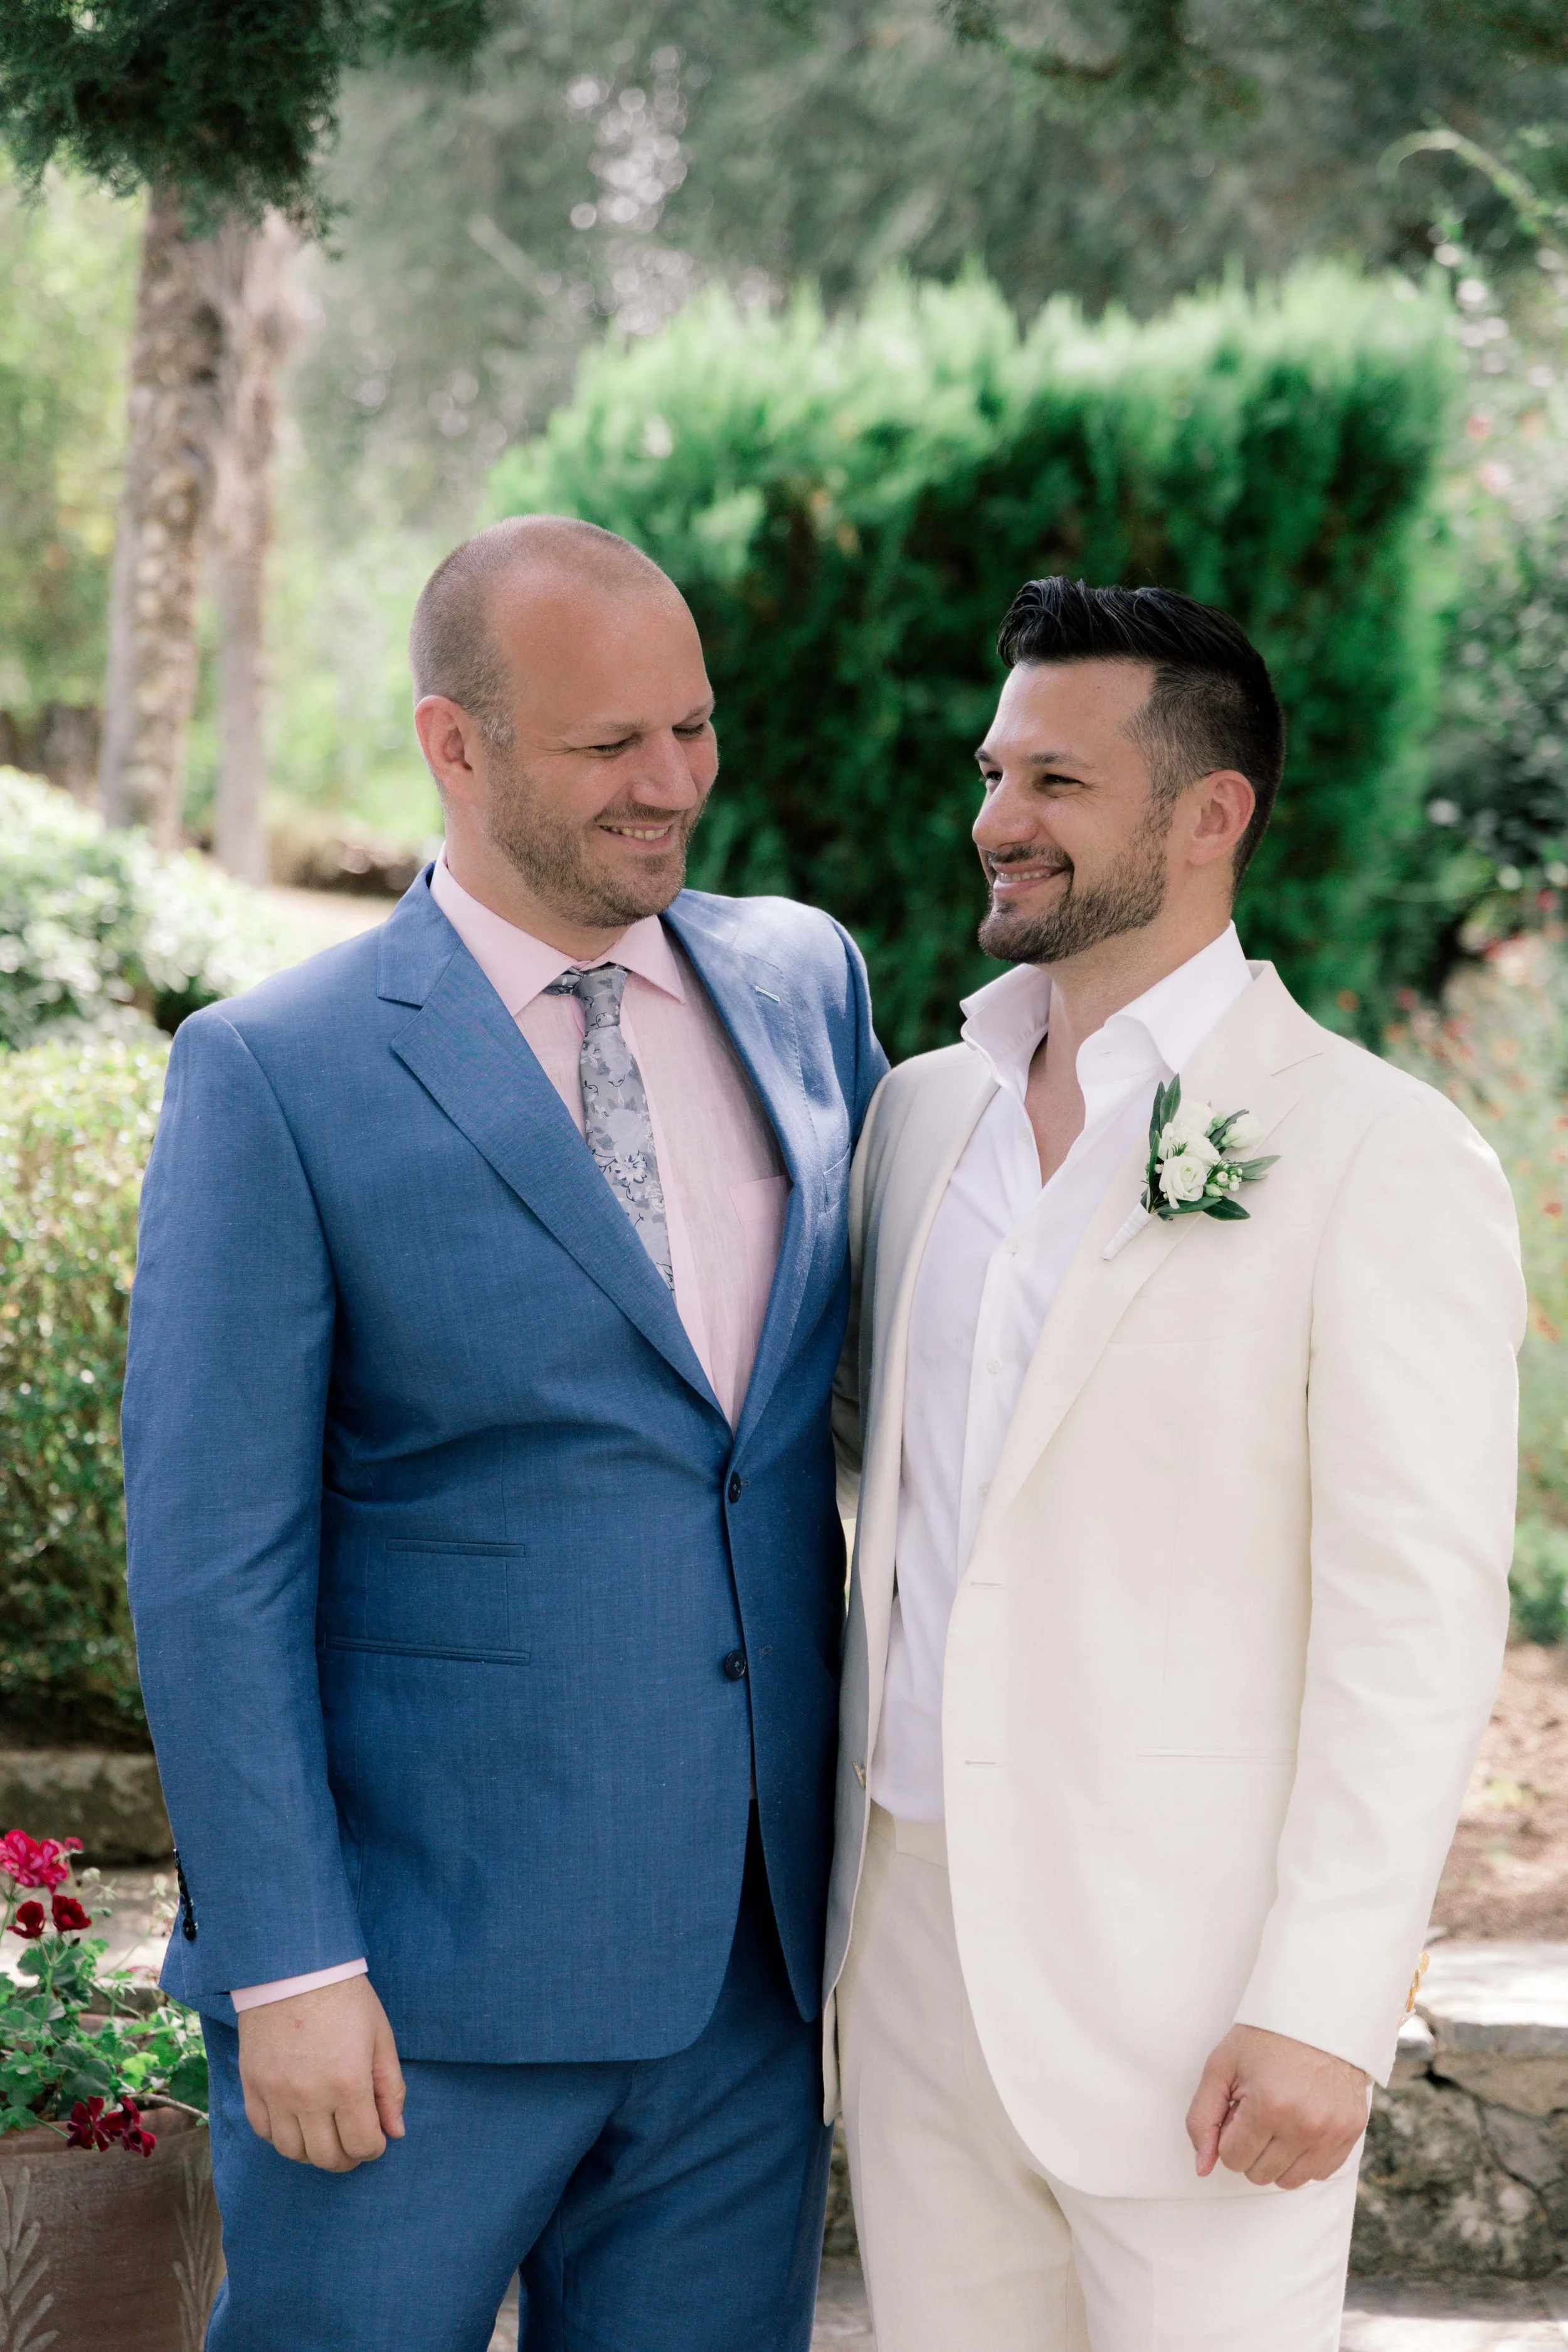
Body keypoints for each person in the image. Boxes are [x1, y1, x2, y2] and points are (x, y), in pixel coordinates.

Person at [124, 515, 885, 2351]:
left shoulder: (804, 982)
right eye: (609, 743)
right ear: (452, 745)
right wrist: (289, 1961)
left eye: (693, 727)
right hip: (410, 1987)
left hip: (749, 1977)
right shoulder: (278, 1069)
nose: (671, 782)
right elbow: (214, 1562)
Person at [825, 576, 1523, 2351]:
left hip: (1197, 2001)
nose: (997, 819)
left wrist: (1325, 2002)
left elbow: (1412, 1626)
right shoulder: (918, 1117)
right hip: (907, 1966)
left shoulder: (1377, 1155)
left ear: (1210, 813)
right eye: (994, 773)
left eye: (1056, 781)